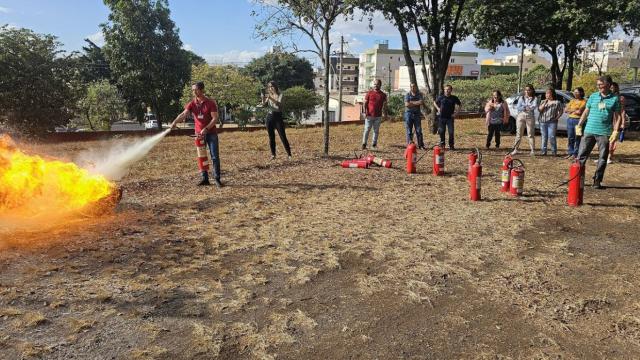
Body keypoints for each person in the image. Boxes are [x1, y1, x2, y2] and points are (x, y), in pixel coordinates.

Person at [170, 81, 222, 187]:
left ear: (202, 90)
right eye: (193, 90)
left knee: (214, 157)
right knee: (201, 156)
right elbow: (184, 114)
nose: (194, 92)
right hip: (199, 134)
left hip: (211, 134)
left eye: (196, 89)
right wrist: (175, 121)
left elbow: (215, 118)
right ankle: (205, 179)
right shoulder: (192, 103)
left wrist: (206, 128)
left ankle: (217, 179)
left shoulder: (210, 103)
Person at [576, 75, 622, 189]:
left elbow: (618, 116)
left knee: (602, 157)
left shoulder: (615, 99)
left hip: (604, 132)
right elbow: (586, 112)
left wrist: (616, 131)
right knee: (581, 155)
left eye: (600, 85)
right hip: (589, 130)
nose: (598, 87)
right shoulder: (593, 96)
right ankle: (577, 178)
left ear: (608, 85)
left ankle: (597, 180)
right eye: (597, 85)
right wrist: (580, 124)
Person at [261, 81, 292, 160]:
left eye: (272, 86)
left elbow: (279, 105)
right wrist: (263, 98)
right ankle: (273, 155)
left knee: (283, 136)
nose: (271, 88)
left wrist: (270, 98)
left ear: (275, 87)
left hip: (278, 117)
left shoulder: (280, 95)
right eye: (269, 87)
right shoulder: (269, 95)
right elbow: (264, 105)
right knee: (271, 137)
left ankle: (289, 155)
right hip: (269, 117)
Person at [510, 84, 538, 156]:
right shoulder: (521, 98)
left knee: (530, 134)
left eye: (529, 90)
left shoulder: (535, 98)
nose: (527, 91)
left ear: (531, 90)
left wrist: (525, 106)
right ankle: (515, 149)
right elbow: (518, 107)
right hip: (521, 115)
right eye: (526, 90)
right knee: (519, 133)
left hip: (530, 116)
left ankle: (532, 151)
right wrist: (525, 107)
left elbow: (533, 106)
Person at [434, 85, 461, 150]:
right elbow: (434, 102)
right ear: (444, 90)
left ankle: (451, 146)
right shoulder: (441, 97)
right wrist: (438, 108)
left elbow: (460, 105)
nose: (447, 90)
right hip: (441, 118)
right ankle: (442, 145)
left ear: (451, 90)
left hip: (450, 118)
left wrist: (456, 113)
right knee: (442, 131)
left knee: (451, 132)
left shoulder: (454, 98)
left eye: (448, 89)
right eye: (445, 89)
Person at [362, 79, 387, 150]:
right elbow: (365, 103)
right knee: (367, 130)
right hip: (369, 115)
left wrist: (385, 114)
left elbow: (385, 105)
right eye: (375, 84)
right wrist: (364, 112)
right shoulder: (369, 93)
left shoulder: (383, 95)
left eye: (377, 84)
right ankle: (364, 144)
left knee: (376, 131)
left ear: (380, 85)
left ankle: (374, 144)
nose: (376, 85)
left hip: (378, 116)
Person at [537, 87, 564, 156]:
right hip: (543, 121)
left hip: (552, 122)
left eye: (548, 93)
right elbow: (540, 110)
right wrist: (545, 103)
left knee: (552, 137)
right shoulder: (543, 101)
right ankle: (543, 151)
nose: (547, 95)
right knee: (544, 137)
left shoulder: (557, 102)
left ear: (552, 94)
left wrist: (557, 117)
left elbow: (561, 111)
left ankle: (554, 152)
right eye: (546, 93)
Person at [564, 87, 586, 159]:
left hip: (578, 121)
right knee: (570, 137)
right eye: (574, 92)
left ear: (581, 93)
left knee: (577, 138)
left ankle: (575, 154)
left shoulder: (584, 101)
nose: (575, 93)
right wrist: (574, 110)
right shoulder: (572, 101)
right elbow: (566, 110)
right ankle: (570, 152)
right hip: (570, 120)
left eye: (577, 92)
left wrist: (572, 110)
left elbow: (579, 112)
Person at [607, 82, 626, 164]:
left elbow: (622, 111)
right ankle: (603, 156)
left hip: (615, 120)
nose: (611, 89)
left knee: (612, 139)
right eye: (610, 87)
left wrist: (623, 122)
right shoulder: (606, 97)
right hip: (606, 120)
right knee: (604, 139)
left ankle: (609, 157)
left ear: (616, 88)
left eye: (612, 87)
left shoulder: (620, 98)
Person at [404, 83, 425, 149]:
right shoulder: (407, 94)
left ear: (416, 87)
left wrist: (411, 103)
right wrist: (416, 102)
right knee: (409, 130)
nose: (413, 88)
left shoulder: (419, 94)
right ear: (410, 87)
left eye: (414, 86)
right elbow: (407, 104)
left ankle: (421, 145)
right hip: (409, 114)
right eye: (411, 87)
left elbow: (421, 102)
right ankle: (409, 145)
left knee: (418, 130)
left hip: (417, 114)